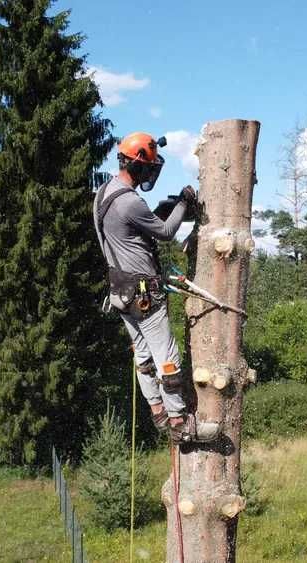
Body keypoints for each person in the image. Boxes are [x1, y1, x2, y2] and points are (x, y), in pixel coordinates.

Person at [93, 132, 218, 444]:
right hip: (144, 294)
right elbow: (163, 232)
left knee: (143, 355)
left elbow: (133, 228)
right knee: (167, 358)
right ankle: (180, 424)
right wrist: (185, 203)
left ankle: (158, 411)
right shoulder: (131, 201)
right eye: (148, 169)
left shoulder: (104, 193)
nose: (150, 174)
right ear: (138, 166)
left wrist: (164, 208)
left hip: (120, 291)